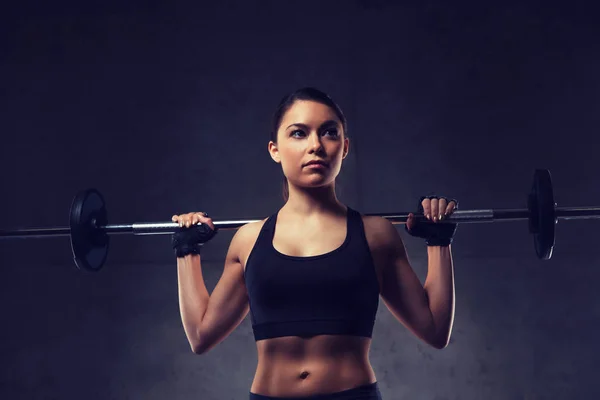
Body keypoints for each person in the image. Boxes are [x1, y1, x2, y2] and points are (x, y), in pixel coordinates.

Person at [171, 87, 457, 400]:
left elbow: (434, 329)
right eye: (298, 133)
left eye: (329, 132)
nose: (316, 146)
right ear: (274, 149)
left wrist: (437, 240)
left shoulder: (376, 235)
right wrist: (186, 248)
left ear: (344, 147)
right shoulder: (249, 240)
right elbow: (201, 336)